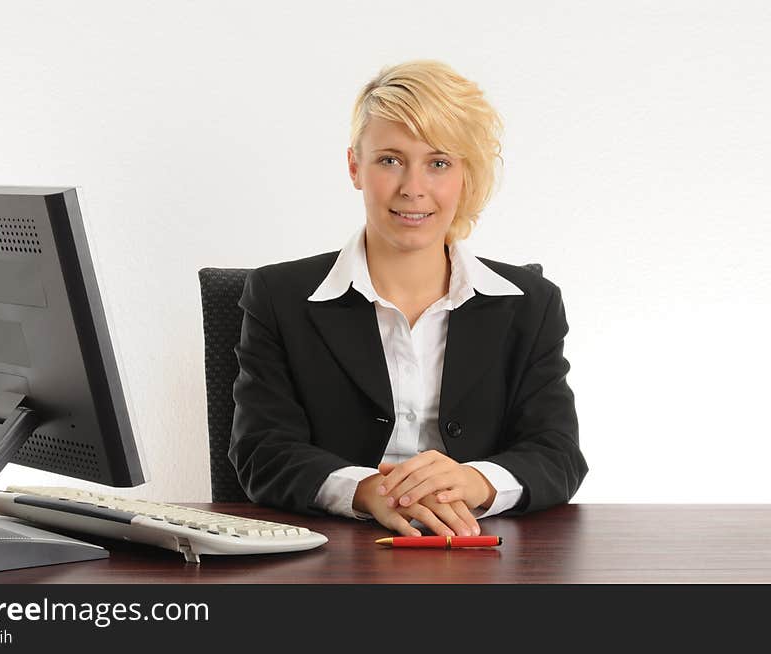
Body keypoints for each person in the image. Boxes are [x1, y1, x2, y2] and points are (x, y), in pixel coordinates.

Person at [229, 60, 588, 538]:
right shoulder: (279, 296)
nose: (412, 188)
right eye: (390, 160)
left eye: (438, 163)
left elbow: (557, 453)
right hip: (333, 549)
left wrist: (474, 481)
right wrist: (366, 490)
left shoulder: (530, 304)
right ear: (355, 166)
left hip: (482, 547)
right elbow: (262, 451)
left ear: (466, 176)